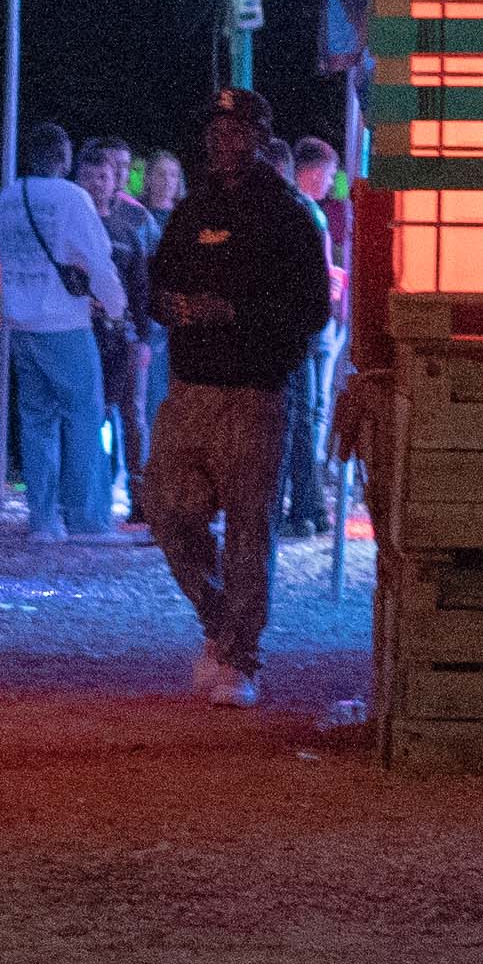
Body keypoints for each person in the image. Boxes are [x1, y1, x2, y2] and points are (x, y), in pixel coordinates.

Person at [141, 88, 338, 708]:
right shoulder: (192, 210)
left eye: (235, 131)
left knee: (250, 530)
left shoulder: (288, 215)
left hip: (255, 392)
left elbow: (312, 310)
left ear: (258, 138)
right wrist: (173, 306)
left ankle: (239, 657)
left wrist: (235, 313)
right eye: (215, 132)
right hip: (190, 389)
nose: (222, 142)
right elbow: (155, 288)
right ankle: (220, 621)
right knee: (166, 510)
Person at [0, 123, 126, 542]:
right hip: (63, 322)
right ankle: (86, 518)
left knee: (37, 420)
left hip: (21, 322)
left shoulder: (9, 198)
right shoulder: (71, 198)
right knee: (84, 417)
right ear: (63, 158)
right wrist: (116, 308)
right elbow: (98, 258)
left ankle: (43, 519)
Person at [82, 133, 162, 519]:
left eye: (116, 170)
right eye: (101, 170)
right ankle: (93, 493)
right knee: (91, 413)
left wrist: (144, 336)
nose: (108, 177)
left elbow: (144, 284)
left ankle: (141, 498)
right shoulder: (75, 218)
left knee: (132, 415)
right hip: (85, 331)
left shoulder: (134, 222)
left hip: (125, 333)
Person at [275, 131, 349, 538]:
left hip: (305, 323)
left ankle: (307, 504)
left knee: (305, 415)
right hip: (306, 324)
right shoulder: (303, 211)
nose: (331, 181)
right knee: (305, 415)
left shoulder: (304, 211)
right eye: (329, 173)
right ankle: (308, 504)